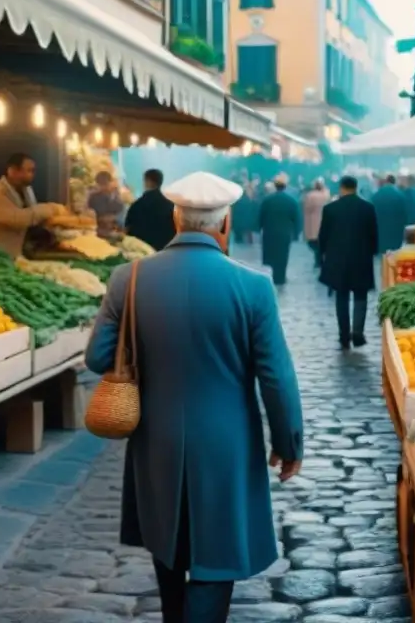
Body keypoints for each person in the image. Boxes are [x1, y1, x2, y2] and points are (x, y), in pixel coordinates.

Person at [85, 171, 303, 623]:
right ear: (225, 225)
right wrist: (288, 443)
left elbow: (97, 356)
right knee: (216, 552)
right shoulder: (254, 286)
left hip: (155, 436)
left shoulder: (130, 277)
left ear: (174, 218)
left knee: (167, 541)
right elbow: (276, 378)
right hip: (227, 441)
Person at [319, 175, 378, 350]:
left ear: (342, 188)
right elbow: (373, 235)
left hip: (339, 259)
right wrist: (372, 252)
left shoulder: (331, 209)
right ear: (355, 187)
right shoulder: (367, 208)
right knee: (361, 296)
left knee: (341, 297)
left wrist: (323, 255)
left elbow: (324, 236)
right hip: (361, 258)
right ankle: (358, 331)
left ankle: (344, 335)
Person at [0, 153, 60, 257]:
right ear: (12, 171)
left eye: (33, 171)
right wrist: (52, 208)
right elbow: (19, 220)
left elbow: (33, 216)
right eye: (28, 171)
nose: (32, 175)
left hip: (16, 253)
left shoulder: (27, 189)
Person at [259, 177, 300, 285]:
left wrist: (259, 228)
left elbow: (261, 216)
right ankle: (281, 277)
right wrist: (296, 233)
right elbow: (296, 218)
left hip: (269, 232)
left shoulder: (267, 200)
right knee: (283, 256)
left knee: (271, 255)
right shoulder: (291, 201)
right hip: (285, 233)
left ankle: (272, 275)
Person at [125, 169, 176, 251]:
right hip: (165, 250)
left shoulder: (138, 205)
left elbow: (128, 229)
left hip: (142, 251)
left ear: (148, 181)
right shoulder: (171, 205)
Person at [371, 174, 408, 254]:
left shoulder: (375, 196)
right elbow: (405, 216)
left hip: (380, 234)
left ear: (385, 182)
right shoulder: (401, 196)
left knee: (381, 259)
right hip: (396, 234)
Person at [301, 178, 331, 268]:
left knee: (314, 244)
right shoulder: (326, 195)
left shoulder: (310, 196)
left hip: (313, 223)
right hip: (326, 222)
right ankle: (323, 259)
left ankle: (318, 260)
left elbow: (306, 209)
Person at [88, 171, 125, 239]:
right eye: (101, 184)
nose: (103, 187)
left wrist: (115, 218)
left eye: (105, 184)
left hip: (117, 230)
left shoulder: (118, 197)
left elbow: (122, 216)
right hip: (100, 231)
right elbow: (91, 216)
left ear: (111, 182)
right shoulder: (94, 197)